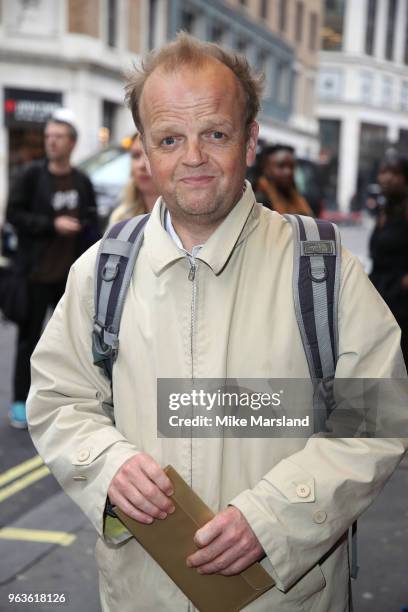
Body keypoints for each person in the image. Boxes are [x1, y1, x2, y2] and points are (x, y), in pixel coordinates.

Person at [27, 34, 407, 612]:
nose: (194, 158)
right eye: (170, 139)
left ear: (249, 139)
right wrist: (107, 465)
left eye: (216, 134)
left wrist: (274, 520)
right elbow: (59, 398)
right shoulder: (101, 270)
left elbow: (373, 420)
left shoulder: (324, 270)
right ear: (147, 150)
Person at [6, 108, 99, 429]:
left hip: (69, 278)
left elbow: (91, 224)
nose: (52, 142)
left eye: (58, 137)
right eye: (48, 137)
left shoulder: (82, 181)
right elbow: (14, 215)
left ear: (72, 143)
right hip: (35, 275)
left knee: (70, 344)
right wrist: (51, 224)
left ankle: (65, 402)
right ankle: (19, 401)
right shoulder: (32, 176)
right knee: (28, 341)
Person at [369, 150, 408, 365]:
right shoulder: (385, 210)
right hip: (382, 299)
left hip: (402, 305)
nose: (387, 177)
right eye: (383, 171)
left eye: (394, 172)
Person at [109, 133, 159, 225]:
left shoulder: (182, 222)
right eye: (136, 156)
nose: (141, 165)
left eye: (148, 156)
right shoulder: (120, 217)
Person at [256, 144, 314, 216]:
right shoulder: (258, 201)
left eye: (291, 166)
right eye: (281, 166)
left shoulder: (298, 198)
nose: (288, 172)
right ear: (266, 169)